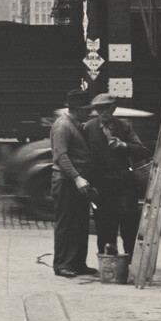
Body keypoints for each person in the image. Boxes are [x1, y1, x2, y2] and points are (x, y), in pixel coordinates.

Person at [85, 93, 152, 259]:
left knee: (128, 220)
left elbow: (142, 150)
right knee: (104, 223)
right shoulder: (88, 128)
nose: (104, 112)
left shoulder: (123, 127)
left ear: (113, 109)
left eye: (107, 108)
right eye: (99, 109)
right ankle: (107, 260)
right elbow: (82, 155)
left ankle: (130, 258)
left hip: (124, 183)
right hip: (101, 184)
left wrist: (124, 145)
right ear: (95, 111)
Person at [50, 88, 98, 278]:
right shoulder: (63, 126)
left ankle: (78, 262)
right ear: (76, 109)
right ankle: (62, 264)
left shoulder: (76, 124)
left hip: (77, 181)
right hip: (66, 180)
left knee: (80, 222)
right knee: (66, 223)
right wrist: (77, 177)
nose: (89, 113)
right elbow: (61, 156)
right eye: (86, 109)